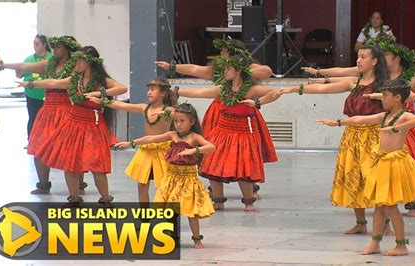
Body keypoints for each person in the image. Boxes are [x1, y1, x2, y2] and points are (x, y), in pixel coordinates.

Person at [303, 36, 415, 217]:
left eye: (387, 54)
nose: (383, 57)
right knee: (384, 167)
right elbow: (347, 73)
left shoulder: (410, 77)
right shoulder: (380, 77)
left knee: (407, 166)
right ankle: (382, 203)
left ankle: (411, 201)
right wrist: (321, 75)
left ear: (397, 58)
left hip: (404, 126)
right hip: (382, 124)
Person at [277, 44, 390, 233]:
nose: (358, 60)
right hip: (352, 136)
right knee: (354, 178)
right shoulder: (353, 83)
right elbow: (323, 89)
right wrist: (294, 89)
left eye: (363, 57)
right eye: (358, 57)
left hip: (375, 137)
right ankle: (361, 223)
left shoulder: (384, 86)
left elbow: (404, 100)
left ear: (375, 61)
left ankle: (384, 223)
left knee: (376, 180)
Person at [157, 38, 276, 199]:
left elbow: (267, 71)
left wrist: (241, 70)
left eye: (224, 51)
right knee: (216, 151)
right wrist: (173, 66)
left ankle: (249, 185)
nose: (221, 54)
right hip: (220, 112)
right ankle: (217, 184)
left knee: (243, 151)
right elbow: (195, 69)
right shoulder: (219, 71)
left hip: (243, 113)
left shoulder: (246, 72)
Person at [317, 78, 415, 256]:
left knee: (391, 206)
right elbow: (360, 119)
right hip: (382, 163)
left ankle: (401, 245)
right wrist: (337, 123)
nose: (382, 99)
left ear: (397, 97)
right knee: (379, 206)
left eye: (385, 96)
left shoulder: (403, 115)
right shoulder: (384, 116)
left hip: (395, 163)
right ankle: (375, 243)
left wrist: (397, 128)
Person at [16, 46, 128, 206]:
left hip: (93, 125)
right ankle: (74, 198)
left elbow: (122, 87)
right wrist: (29, 83)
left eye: (80, 60)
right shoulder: (75, 80)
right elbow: (53, 82)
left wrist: (98, 93)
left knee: (97, 165)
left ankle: (105, 199)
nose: (76, 63)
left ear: (89, 62)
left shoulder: (101, 81)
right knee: (70, 163)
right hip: (73, 124)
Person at [176, 55, 278, 211]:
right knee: (212, 166)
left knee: (244, 169)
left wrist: (257, 102)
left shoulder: (251, 90)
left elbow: (274, 92)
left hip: (243, 134)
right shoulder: (222, 89)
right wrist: (177, 91)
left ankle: (248, 201)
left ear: (238, 71)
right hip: (221, 133)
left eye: (228, 68)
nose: (225, 71)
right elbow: (199, 92)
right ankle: (218, 201)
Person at [115, 102, 215, 249]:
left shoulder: (194, 137)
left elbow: (211, 147)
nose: (178, 124)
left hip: (188, 179)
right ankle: (173, 237)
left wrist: (193, 151)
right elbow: (151, 139)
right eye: (176, 121)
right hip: (171, 178)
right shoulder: (172, 135)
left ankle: (197, 239)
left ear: (192, 122)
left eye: (182, 121)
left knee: (191, 211)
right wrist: (131, 143)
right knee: (170, 210)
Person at [0, 35, 87, 195]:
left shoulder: (75, 66)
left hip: (67, 109)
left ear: (67, 49)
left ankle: (78, 185)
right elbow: (25, 66)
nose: (55, 50)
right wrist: (3, 64)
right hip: (47, 110)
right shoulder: (49, 64)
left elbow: (56, 83)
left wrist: (32, 83)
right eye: (55, 47)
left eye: (59, 47)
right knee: (39, 146)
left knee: (71, 149)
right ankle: (43, 184)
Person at [88, 77, 177, 203]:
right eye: (148, 90)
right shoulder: (144, 108)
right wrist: (102, 102)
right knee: (141, 186)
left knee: (165, 186)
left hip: (163, 152)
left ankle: (169, 216)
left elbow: (183, 116)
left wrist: (171, 113)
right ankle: (144, 216)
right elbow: (122, 105)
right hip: (146, 152)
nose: (149, 92)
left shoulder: (168, 110)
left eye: (153, 89)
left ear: (163, 93)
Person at [16, 34, 53, 140]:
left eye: (37, 44)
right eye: (34, 44)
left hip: (46, 95)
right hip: (31, 94)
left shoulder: (51, 59)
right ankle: (31, 140)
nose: (35, 46)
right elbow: (20, 74)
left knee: (46, 120)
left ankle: (45, 141)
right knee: (33, 118)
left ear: (44, 45)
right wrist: (18, 72)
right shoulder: (29, 59)